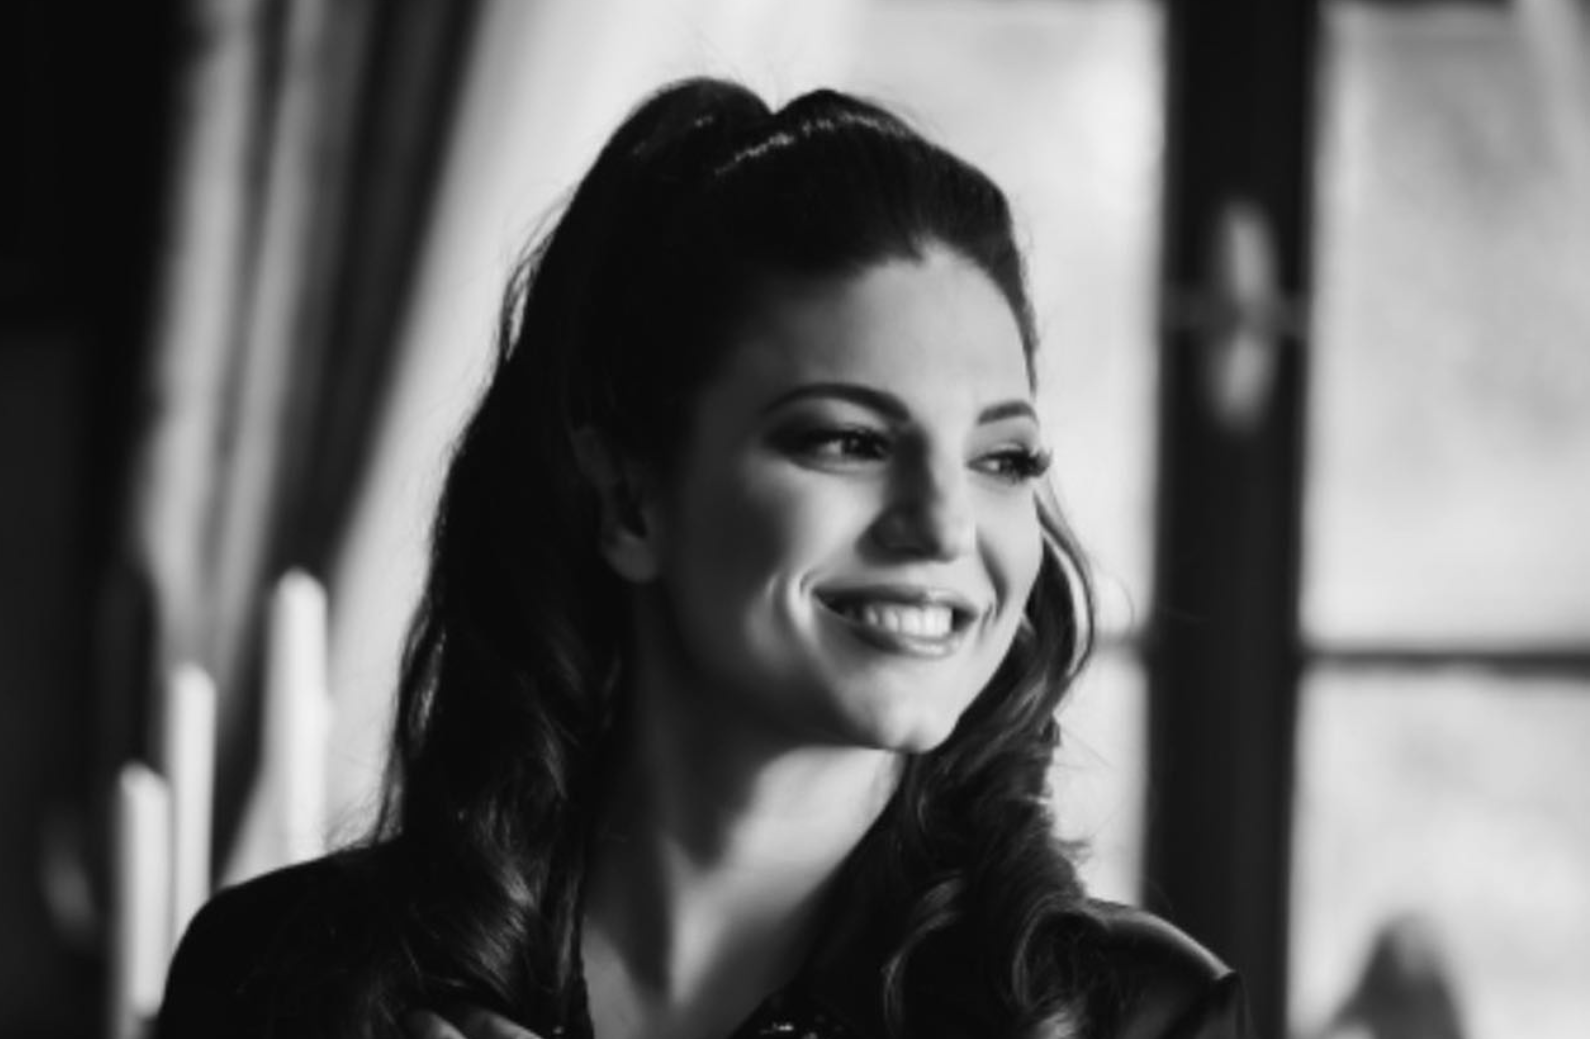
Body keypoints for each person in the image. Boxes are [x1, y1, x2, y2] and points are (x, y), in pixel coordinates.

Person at [157, 77, 1253, 1039]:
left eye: (1002, 459)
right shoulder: (275, 977)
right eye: (849, 441)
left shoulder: (1138, 1017)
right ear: (631, 499)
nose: (944, 526)